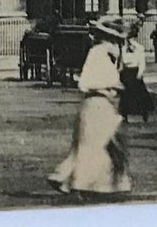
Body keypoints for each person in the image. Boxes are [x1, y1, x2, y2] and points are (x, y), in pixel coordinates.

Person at [48, 18, 131, 195]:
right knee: (97, 145)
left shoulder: (107, 55)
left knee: (98, 145)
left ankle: (66, 178)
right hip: (97, 105)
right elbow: (88, 82)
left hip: (103, 105)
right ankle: (77, 182)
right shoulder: (98, 53)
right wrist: (110, 87)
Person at [119, 19, 153, 122]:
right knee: (125, 95)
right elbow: (121, 60)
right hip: (126, 72)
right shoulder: (123, 48)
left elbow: (141, 62)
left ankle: (144, 113)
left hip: (135, 72)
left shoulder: (139, 48)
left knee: (140, 95)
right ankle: (125, 115)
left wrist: (140, 73)